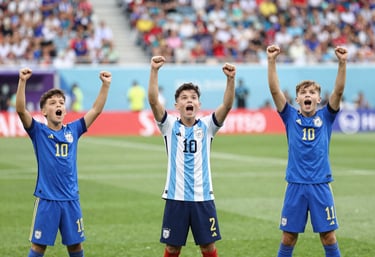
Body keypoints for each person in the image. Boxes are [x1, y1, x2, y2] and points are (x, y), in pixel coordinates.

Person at [16, 67, 111, 257]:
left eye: (61, 102)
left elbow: (96, 110)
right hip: (47, 200)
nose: (58, 105)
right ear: (43, 111)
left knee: (76, 247)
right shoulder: (39, 131)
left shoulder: (73, 130)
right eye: (52, 103)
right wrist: (22, 81)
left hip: (71, 199)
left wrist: (105, 85)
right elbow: (20, 110)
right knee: (38, 247)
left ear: (65, 110)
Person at [148, 55, 236, 257]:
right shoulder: (169, 126)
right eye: (184, 98)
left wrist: (231, 80)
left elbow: (227, 105)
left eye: (193, 98)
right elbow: (153, 100)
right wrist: (154, 71)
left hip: (203, 197)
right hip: (175, 198)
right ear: (177, 105)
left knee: (208, 247)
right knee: (172, 248)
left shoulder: (207, 126)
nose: (189, 100)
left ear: (199, 104)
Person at [266, 44, 347, 257]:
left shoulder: (326, 117)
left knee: (328, 236)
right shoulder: (290, 116)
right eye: (303, 92)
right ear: (298, 99)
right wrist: (272, 61)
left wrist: (342, 63)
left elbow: (338, 90)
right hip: (296, 185)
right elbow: (275, 90)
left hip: (320, 185)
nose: (308, 95)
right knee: (288, 237)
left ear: (318, 99)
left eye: (312, 92)